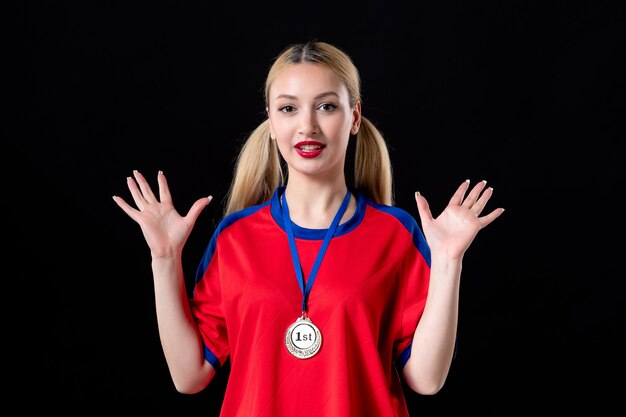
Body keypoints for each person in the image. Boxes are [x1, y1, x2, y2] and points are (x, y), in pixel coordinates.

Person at [112, 40, 504, 416]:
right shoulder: (235, 238)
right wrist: (164, 259)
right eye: (288, 109)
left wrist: (450, 260)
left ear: (354, 118)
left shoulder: (395, 234)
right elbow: (189, 375)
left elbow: (426, 379)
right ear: (269, 121)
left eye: (327, 106)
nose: (307, 126)